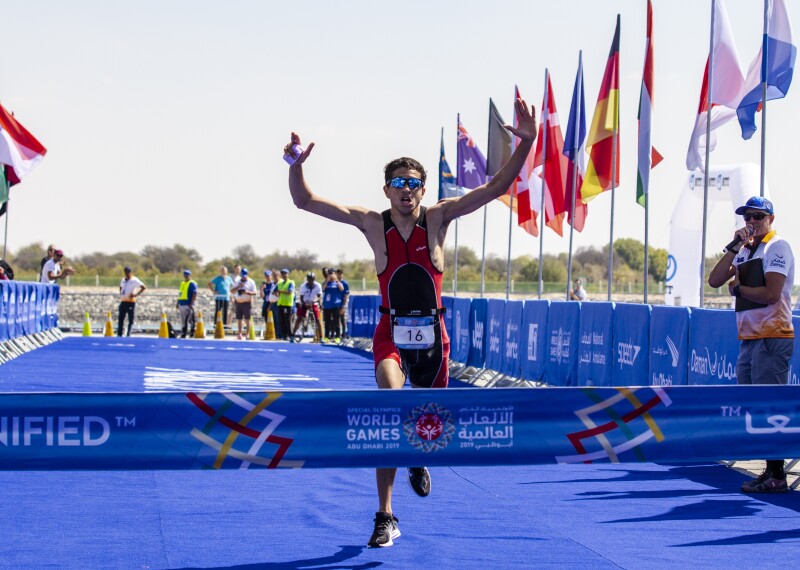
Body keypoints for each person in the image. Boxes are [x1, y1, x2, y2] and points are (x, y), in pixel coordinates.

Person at [285, 98, 536, 548]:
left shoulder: (439, 218)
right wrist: (295, 166)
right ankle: (385, 515)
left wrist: (528, 143)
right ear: (386, 190)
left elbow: (497, 187)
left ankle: (419, 457)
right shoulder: (370, 223)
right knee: (390, 405)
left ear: (423, 190)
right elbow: (304, 201)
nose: (407, 190)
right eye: (399, 183)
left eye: (414, 184)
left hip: (433, 340)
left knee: (425, 424)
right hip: (391, 334)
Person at [708, 196, 794, 494]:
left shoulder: (777, 246)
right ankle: (770, 471)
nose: (752, 222)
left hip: (772, 337)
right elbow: (715, 280)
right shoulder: (744, 249)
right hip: (748, 338)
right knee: (753, 408)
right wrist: (732, 247)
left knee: (769, 407)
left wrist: (740, 288)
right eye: (747, 217)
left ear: (771, 218)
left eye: (758, 216)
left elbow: (771, 293)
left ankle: (776, 474)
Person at [292, 272, 323, 342]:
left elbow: (319, 297)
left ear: (314, 279)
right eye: (309, 279)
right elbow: (301, 297)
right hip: (305, 302)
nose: (311, 281)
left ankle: (321, 337)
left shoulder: (318, 285)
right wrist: (305, 304)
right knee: (299, 318)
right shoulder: (303, 286)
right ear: (307, 279)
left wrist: (314, 301)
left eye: (312, 279)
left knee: (318, 319)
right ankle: (292, 335)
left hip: (313, 302)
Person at [118, 266, 146, 337]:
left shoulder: (134, 280)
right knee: (121, 319)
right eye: (125, 272)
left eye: (128, 272)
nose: (126, 274)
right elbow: (121, 286)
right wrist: (121, 293)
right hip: (123, 301)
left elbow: (143, 287)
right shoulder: (123, 280)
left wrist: (135, 294)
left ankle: (129, 334)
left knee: (131, 320)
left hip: (131, 302)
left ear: (130, 272)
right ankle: (119, 334)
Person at [231, 267, 257, 339]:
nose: (243, 277)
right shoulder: (237, 281)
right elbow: (232, 291)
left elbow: (255, 292)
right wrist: (239, 286)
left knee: (247, 319)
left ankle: (247, 333)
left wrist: (247, 292)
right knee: (239, 319)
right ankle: (239, 333)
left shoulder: (251, 282)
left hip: (247, 302)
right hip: (238, 302)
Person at [322, 268, 345, 341]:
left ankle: (338, 337)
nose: (331, 275)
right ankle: (326, 336)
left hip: (335, 305)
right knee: (327, 322)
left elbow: (342, 289)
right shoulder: (326, 282)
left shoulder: (337, 283)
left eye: (332, 274)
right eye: (329, 274)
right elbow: (322, 289)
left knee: (336, 322)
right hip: (327, 306)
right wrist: (327, 280)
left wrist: (337, 281)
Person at [176, 269, 198, 339]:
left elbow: (194, 293)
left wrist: (191, 303)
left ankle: (192, 333)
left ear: (190, 276)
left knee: (191, 319)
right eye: (185, 276)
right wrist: (177, 302)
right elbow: (180, 293)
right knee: (183, 320)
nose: (185, 277)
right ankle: (184, 333)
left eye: (187, 276)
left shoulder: (192, 283)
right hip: (182, 303)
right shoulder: (182, 283)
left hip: (188, 304)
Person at [276, 268, 295, 340]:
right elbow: (276, 291)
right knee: (281, 320)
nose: (284, 275)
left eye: (285, 274)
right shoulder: (280, 283)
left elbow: (290, 292)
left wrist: (281, 291)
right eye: (283, 274)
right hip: (281, 303)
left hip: (287, 304)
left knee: (288, 320)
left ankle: (290, 334)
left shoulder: (291, 282)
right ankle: (284, 334)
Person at [336, 268, 350, 338]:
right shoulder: (334, 283)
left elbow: (346, 295)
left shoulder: (345, 283)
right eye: (338, 274)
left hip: (342, 304)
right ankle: (337, 335)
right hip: (335, 304)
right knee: (336, 320)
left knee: (342, 320)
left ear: (343, 275)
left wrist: (343, 306)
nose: (339, 276)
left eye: (340, 274)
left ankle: (344, 334)